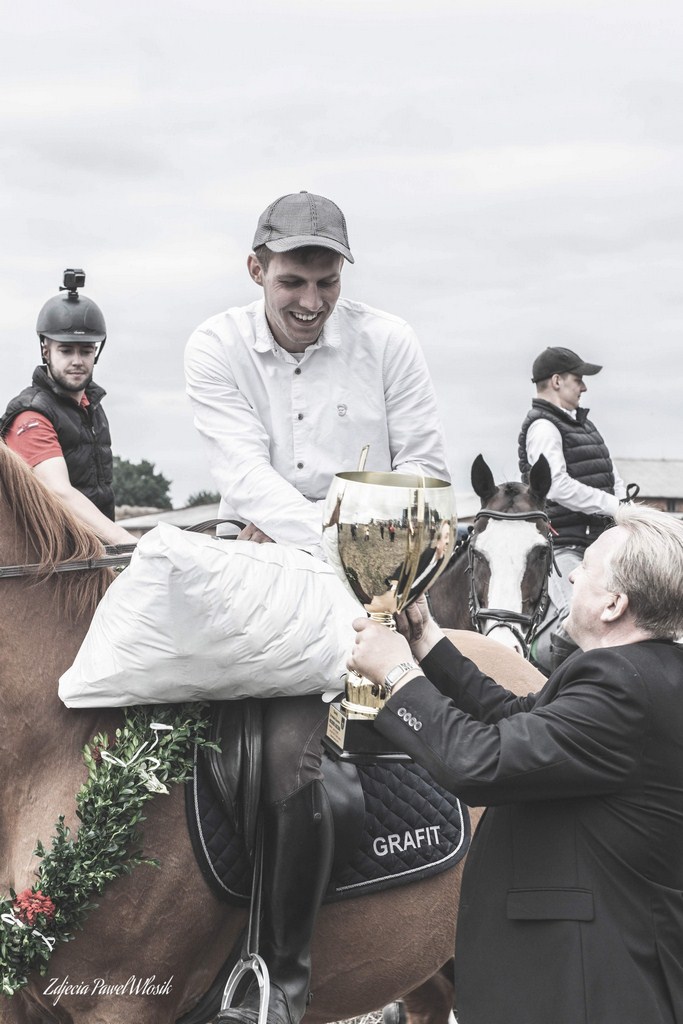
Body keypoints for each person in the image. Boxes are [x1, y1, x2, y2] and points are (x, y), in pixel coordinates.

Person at [184, 191, 449, 1024]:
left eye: (326, 283)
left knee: (294, 749)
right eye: (293, 281)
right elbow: (245, 474)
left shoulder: (389, 340)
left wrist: (378, 561)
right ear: (256, 269)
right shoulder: (214, 346)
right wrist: (326, 544)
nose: (310, 302)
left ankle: (281, 980)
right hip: (258, 560)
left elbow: (428, 464)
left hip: (380, 576)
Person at [349, 503, 683, 1024]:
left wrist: (395, 677)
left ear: (615, 603)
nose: (571, 574)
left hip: (584, 990)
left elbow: (479, 763)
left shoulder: (622, 689)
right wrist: (426, 641)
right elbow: (516, 716)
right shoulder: (635, 672)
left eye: (587, 568)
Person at [0, 269, 135, 546]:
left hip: (90, 555)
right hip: (51, 566)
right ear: (45, 350)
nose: (77, 360)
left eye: (86, 351)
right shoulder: (31, 415)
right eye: (66, 350)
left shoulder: (92, 406)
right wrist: (125, 542)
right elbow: (59, 492)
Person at [518, 345, 627, 668]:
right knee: (581, 618)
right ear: (556, 381)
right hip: (563, 542)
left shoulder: (582, 424)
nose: (584, 386)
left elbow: (610, 476)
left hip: (595, 541)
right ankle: (560, 693)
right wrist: (611, 504)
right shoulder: (543, 427)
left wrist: (624, 505)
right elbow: (557, 485)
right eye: (578, 379)